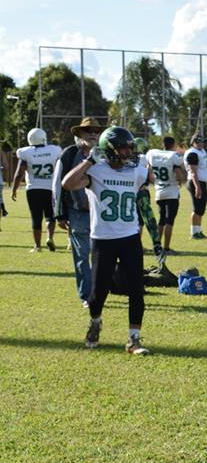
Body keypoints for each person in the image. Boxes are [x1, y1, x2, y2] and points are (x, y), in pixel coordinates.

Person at [62, 126, 152, 355]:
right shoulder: (96, 171)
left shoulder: (135, 170)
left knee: (136, 289)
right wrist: (89, 161)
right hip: (103, 238)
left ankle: (134, 339)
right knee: (98, 291)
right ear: (110, 150)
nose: (128, 152)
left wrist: (145, 165)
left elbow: (149, 178)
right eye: (124, 148)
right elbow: (68, 184)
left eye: (130, 148)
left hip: (130, 236)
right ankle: (95, 322)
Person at [52, 117, 104, 307]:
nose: (92, 134)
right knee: (82, 256)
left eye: (96, 131)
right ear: (79, 134)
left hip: (102, 214)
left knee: (102, 255)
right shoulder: (69, 154)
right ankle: (87, 296)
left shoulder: (108, 154)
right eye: (87, 130)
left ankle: (101, 290)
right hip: (78, 212)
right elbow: (57, 184)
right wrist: (59, 213)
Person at [11, 127, 62, 251]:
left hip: (33, 189)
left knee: (36, 217)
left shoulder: (25, 152)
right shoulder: (54, 150)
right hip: (51, 188)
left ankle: (37, 246)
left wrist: (14, 189)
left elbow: (19, 173)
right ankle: (49, 237)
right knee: (50, 215)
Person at [145, 136, 185, 254]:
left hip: (159, 191)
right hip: (171, 191)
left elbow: (149, 170)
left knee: (161, 220)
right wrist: (180, 180)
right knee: (169, 220)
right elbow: (178, 173)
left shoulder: (152, 153)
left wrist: (155, 182)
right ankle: (166, 248)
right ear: (173, 145)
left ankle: (157, 245)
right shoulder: (173, 156)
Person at [184, 133, 207, 239]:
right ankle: (194, 232)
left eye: (202, 141)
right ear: (193, 142)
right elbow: (193, 172)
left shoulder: (201, 151)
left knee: (201, 208)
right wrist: (197, 187)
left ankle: (198, 230)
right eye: (199, 142)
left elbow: (203, 168)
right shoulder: (192, 154)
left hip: (202, 181)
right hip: (196, 182)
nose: (201, 144)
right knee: (197, 208)